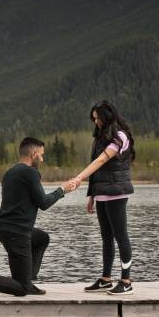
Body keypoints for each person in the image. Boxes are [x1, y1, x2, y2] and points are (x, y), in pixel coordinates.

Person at [0, 136, 65, 297]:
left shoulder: (10, 173)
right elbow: (43, 203)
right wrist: (62, 190)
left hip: (6, 229)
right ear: (33, 153)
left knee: (41, 238)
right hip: (17, 234)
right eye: (41, 154)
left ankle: (27, 280)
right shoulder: (30, 172)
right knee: (21, 289)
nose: (42, 158)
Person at [63, 100, 137, 295]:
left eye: (99, 118)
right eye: (94, 119)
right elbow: (98, 170)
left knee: (121, 236)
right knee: (106, 237)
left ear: (108, 116)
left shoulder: (119, 136)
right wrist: (92, 195)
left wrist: (78, 178)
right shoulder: (100, 138)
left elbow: (102, 160)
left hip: (117, 193)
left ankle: (126, 280)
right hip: (102, 193)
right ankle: (106, 279)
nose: (96, 122)